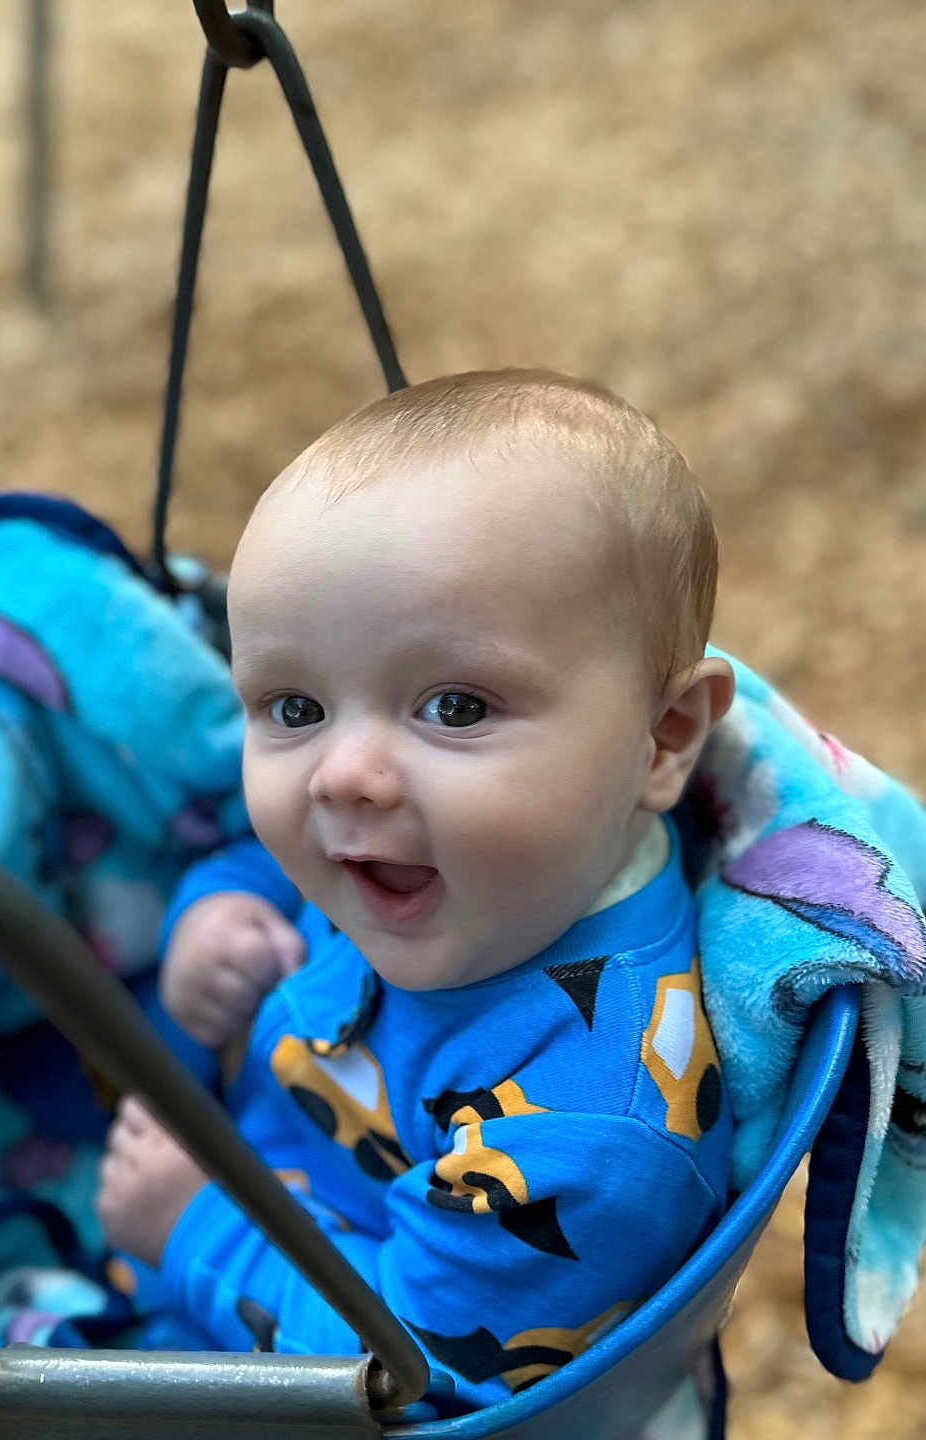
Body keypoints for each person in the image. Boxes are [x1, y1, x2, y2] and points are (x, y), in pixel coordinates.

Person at [94, 366, 737, 1410]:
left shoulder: (589, 1131)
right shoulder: (477, 862)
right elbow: (284, 864)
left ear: (661, 739)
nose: (342, 775)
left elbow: (411, 1382)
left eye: (454, 704)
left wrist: (193, 1231)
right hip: (234, 1182)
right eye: (294, 708)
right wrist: (212, 914)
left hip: (258, 1316)